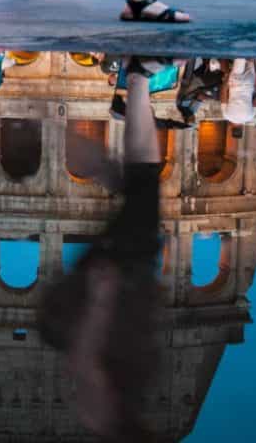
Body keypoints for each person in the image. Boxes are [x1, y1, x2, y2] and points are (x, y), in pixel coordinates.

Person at [40, 55, 164, 438]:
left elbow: (86, 361)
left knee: (142, 186)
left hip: (112, 280)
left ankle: (138, 81)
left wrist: (101, 296)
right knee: (140, 187)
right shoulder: (115, 414)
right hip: (123, 276)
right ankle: (136, 88)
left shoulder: (107, 415)